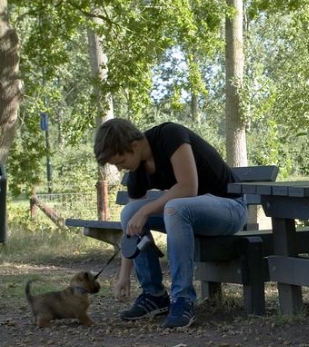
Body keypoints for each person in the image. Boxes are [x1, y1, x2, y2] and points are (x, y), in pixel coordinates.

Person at [94, 119, 247, 328]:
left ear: (135, 146)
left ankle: (183, 299)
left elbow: (188, 188)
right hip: (192, 215)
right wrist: (123, 276)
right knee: (130, 212)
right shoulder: (137, 171)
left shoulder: (170, 135)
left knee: (174, 208)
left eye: (120, 161)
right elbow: (132, 229)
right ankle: (153, 294)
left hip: (230, 208)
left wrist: (146, 211)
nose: (120, 169)